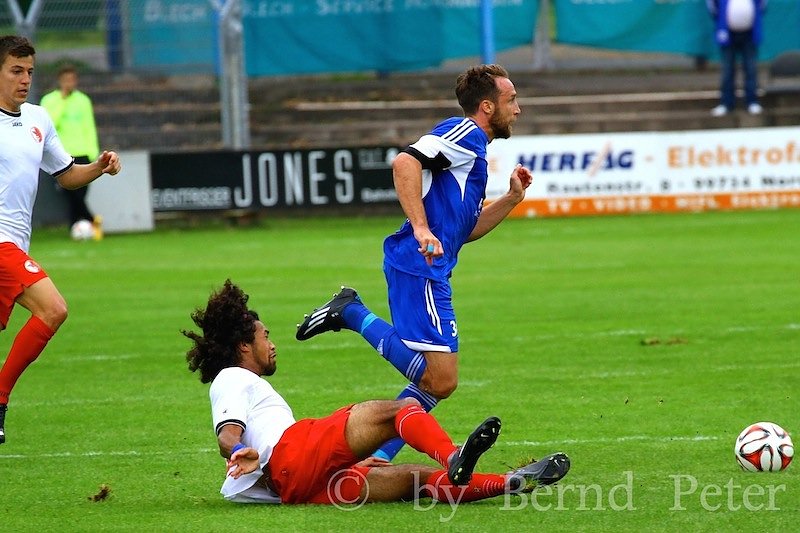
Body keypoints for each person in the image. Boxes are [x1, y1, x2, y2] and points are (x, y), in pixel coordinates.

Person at [295, 64, 533, 460]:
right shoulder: (466, 132)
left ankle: (378, 457)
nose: (518, 109)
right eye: (512, 100)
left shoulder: (473, 154)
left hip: (429, 267)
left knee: (437, 382)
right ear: (487, 106)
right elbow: (405, 162)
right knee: (441, 378)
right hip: (418, 265)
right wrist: (421, 228)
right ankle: (352, 313)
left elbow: (464, 231)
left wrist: (510, 199)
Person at [184, 280, 569, 505]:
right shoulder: (232, 378)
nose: (272, 344)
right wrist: (236, 450)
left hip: (298, 486)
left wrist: (350, 463)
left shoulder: (242, 383)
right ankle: (454, 456)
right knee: (396, 412)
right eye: (265, 336)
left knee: (415, 479)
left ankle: (512, 482)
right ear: (243, 347)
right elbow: (227, 435)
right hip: (294, 454)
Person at [0, 35, 121, 443]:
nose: (25, 80)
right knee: (52, 309)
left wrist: (99, 167)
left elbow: (66, 174)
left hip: (15, 245)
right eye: (16, 71)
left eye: (30, 72)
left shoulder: (38, 119)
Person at [40, 64, 103, 239]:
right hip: (61, 154)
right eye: (66, 80)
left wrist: (93, 151)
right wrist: (63, 100)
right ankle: (92, 220)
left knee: (78, 194)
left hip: (82, 151)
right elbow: (50, 123)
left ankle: (75, 229)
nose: (69, 83)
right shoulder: (49, 101)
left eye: (72, 79)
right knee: (71, 192)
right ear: (60, 81)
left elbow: (89, 127)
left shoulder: (83, 100)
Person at [707, 0, 768, 116]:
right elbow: (713, 8)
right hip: (727, 32)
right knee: (727, 70)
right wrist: (722, 20)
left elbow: (762, 5)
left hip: (750, 33)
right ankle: (726, 103)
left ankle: (752, 102)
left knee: (751, 69)